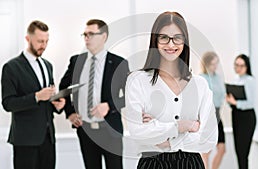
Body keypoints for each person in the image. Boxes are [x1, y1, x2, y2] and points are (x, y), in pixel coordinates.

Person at [125, 11, 218, 169]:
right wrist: (181, 126)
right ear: (155, 41)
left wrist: (163, 137)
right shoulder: (138, 81)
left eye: (177, 38)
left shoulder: (200, 85)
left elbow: (209, 138)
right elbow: (137, 133)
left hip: (190, 164)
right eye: (164, 38)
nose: (171, 44)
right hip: (152, 163)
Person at [59, 19, 129, 169]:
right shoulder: (76, 61)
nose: (86, 38)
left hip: (111, 131)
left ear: (104, 37)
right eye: (84, 34)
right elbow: (63, 88)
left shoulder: (118, 63)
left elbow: (131, 96)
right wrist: (70, 113)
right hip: (86, 131)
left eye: (91, 34)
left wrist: (109, 106)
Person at [1, 20, 65, 169]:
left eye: (46, 41)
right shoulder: (11, 67)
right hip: (25, 140)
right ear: (28, 39)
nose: (43, 45)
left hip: (48, 139)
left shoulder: (48, 65)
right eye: (40, 41)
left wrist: (57, 105)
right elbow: (8, 103)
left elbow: (46, 100)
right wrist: (36, 97)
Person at [226, 54, 256, 169]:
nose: (238, 68)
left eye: (241, 65)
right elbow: (234, 102)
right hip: (236, 116)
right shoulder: (236, 80)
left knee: (243, 153)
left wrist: (235, 103)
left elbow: (250, 103)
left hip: (247, 118)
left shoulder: (250, 80)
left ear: (247, 66)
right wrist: (230, 101)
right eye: (236, 65)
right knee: (238, 152)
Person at [200, 51, 226, 169]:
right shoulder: (201, 78)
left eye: (217, 63)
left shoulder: (218, 77)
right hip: (207, 115)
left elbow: (221, 95)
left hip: (217, 113)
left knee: (222, 149)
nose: (215, 66)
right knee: (206, 151)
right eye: (213, 64)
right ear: (206, 64)